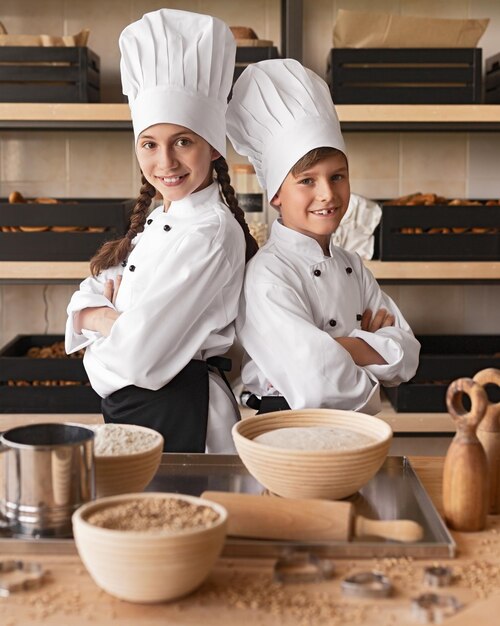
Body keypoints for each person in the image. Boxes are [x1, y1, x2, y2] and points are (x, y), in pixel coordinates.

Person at [65, 9, 258, 452]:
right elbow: (85, 299)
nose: (165, 162)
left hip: (186, 416)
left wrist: (101, 327)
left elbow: (134, 357)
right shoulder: (162, 219)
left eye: (183, 142)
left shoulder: (209, 233)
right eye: (150, 144)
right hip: (141, 414)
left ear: (212, 148)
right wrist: (103, 318)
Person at [227, 59, 419, 415]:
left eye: (338, 176)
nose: (328, 194)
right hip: (284, 428)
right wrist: (369, 346)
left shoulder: (352, 265)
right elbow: (316, 381)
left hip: (350, 432)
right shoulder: (267, 274)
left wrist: (335, 347)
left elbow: (407, 355)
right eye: (307, 180)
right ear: (275, 194)